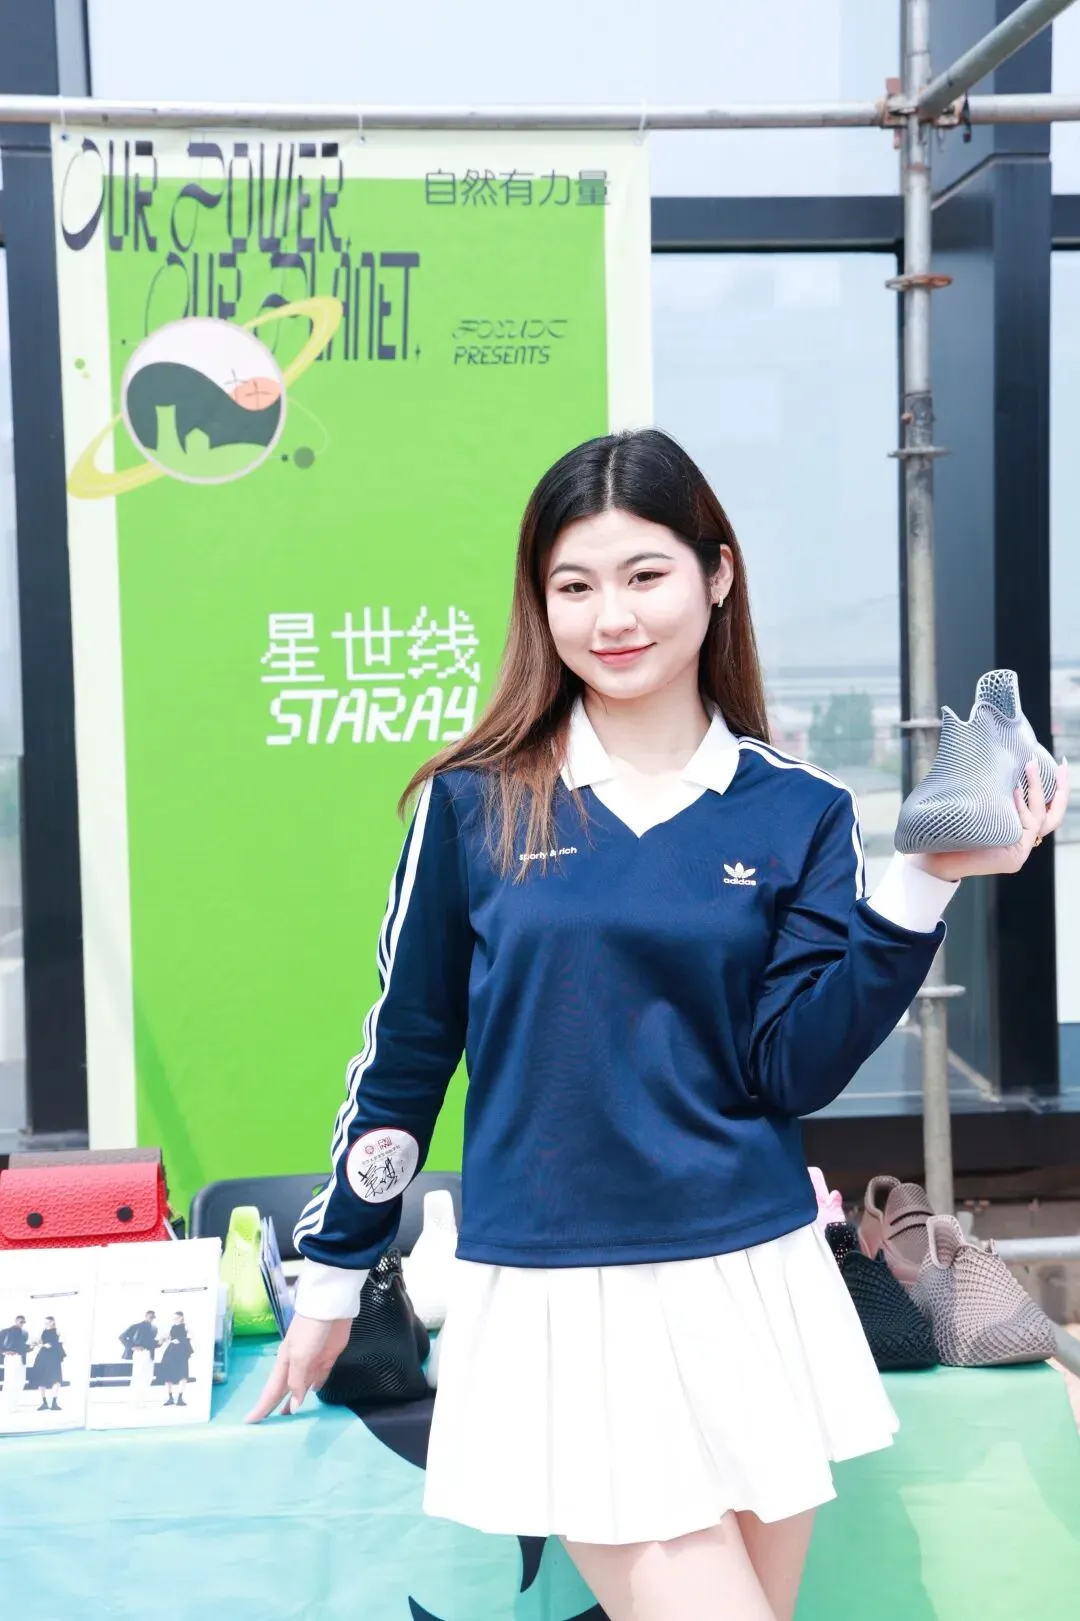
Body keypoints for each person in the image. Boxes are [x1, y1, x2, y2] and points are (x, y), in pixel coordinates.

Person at [248, 429, 1070, 1621]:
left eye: (645, 574)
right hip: (561, 1291)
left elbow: (791, 1066)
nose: (611, 616)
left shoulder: (798, 809)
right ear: (540, 604)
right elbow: (408, 1052)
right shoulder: (473, 804)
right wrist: (333, 1274)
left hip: (751, 1277)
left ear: (717, 574)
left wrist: (922, 881)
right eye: (574, 586)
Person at [119, 1311, 161, 1399]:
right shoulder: (136, 1326)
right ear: (146, 1316)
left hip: (149, 1354)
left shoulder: (154, 1328)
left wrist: (160, 1342)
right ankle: (134, 1398)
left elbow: (151, 1343)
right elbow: (122, 1337)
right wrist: (132, 1347)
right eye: (150, 1316)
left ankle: (142, 1398)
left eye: (153, 1317)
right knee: (138, 1375)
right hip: (140, 1354)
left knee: (148, 1376)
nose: (152, 1318)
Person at [157, 1312, 193, 1407]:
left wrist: (180, 1340)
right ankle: (170, 1398)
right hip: (171, 1351)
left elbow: (191, 1337)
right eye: (174, 1317)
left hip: (182, 1352)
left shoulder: (186, 1326)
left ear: (181, 1317)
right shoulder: (172, 1327)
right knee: (168, 1374)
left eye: (176, 1317)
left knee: (183, 1374)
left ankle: (180, 1398)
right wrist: (167, 1340)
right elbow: (167, 1337)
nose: (175, 1319)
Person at [30, 1316, 65, 1412]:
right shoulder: (43, 1331)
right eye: (45, 1322)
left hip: (53, 1356)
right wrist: (37, 1343)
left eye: (48, 1322)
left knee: (56, 1378)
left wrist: (45, 1344)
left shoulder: (57, 1331)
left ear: (52, 1322)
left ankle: (54, 1402)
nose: (46, 1324)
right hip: (43, 1356)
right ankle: (44, 1402)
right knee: (41, 1378)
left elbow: (58, 1342)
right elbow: (41, 1342)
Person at [0, 1315, 29, 1414]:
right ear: (16, 1321)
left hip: (21, 1358)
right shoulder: (5, 1331)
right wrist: (3, 1352)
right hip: (11, 1358)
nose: (22, 1323)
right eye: (21, 1321)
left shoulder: (25, 1333)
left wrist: (31, 1347)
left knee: (20, 1382)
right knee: (10, 1381)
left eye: (24, 1322)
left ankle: (14, 1405)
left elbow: (23, 1347)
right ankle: (6, 1406)